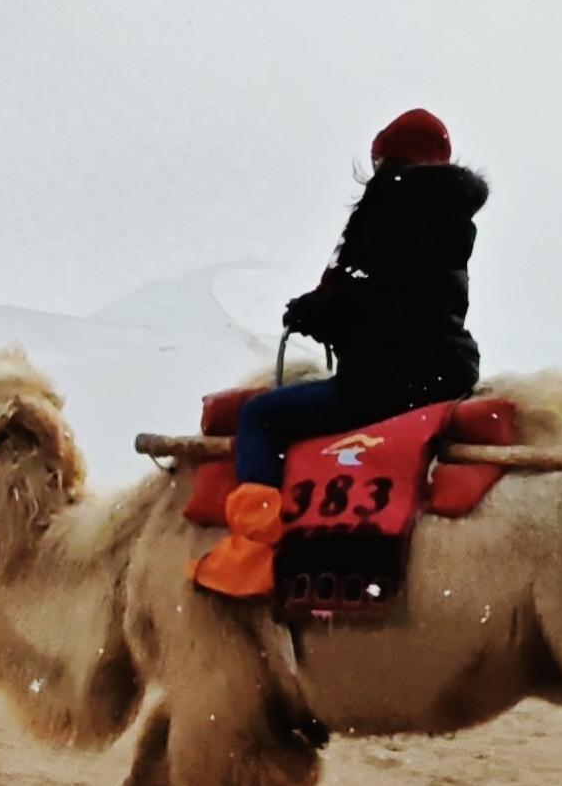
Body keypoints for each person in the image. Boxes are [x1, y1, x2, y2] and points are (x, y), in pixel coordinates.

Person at [193, 110, 489, 599]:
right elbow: (406, 296)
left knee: (262, 418)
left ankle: (251, 552)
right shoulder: (452, 220)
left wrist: (312, 312)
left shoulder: (387, 199)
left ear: (387, 157)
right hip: (448, 373)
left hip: (387, 377)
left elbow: (358, 290)